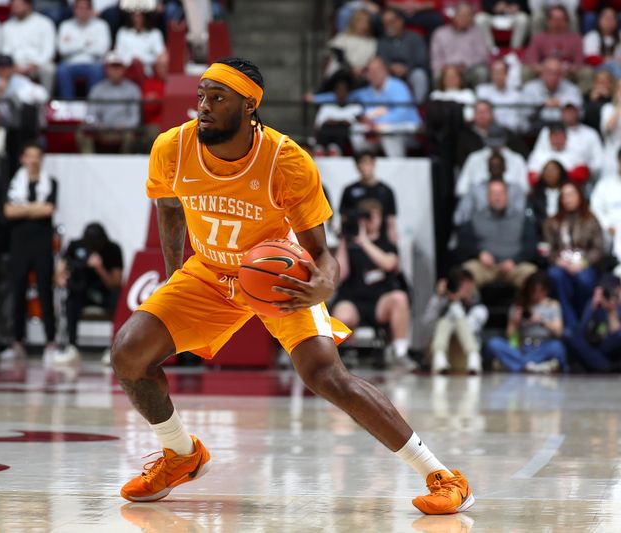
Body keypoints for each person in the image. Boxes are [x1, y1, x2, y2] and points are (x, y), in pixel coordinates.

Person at [111, 57, 473, 514]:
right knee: (128, 353)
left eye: (217, 98)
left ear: (249, 106)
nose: (203, 106)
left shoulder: (286, 160)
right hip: (209, 271)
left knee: (325, 375)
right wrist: (171, 278)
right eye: (201, 96)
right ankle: (181, 454)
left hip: (276, 276)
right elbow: (168, 208)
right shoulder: (172, 147)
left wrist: (323, 285)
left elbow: (321, 253)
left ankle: (442, 476)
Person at [333, 198, 414, 369]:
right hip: (353, 300)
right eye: (369, 215)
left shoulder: (386, 242)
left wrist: (365, 242)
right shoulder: (349, 243)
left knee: (400, 298)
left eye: (377, 215)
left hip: (379, 302)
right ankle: (340, 355)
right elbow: (340, 274)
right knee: (341, 314)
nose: (374, 220)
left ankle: (400, 353)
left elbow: (389, 264)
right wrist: (343, 239)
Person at [1, 142, 59, 363]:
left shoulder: (50, 182)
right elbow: (8, 211)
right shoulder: (14, 184)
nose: (33, 160)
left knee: (45, 293)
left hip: (42, 246)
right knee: (18, 293)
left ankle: (50, 341)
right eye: (29, 156)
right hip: (19, 246)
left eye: (37, 156)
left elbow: (49, 209)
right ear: (23, 159)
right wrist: (35, 208)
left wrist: (23, 210)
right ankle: (17, 341)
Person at [56, 222, 123, 363]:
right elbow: (58, 274)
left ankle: (114, 348)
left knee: (117, 298)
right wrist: (62, 278)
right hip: (82, 291)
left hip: (103, 292)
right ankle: (72, 346)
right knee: (71, 300)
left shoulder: (113, 249)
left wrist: (99, 268)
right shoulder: (75, 246)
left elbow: (115, 283)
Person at [544, 182, 605, 329]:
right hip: (561, 264)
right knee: (554, 275)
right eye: (564, 196)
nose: (568, 199)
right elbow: (547, 249)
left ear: (580, 197)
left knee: (585, 279)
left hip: (583, 263)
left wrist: (582, 263)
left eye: (571, 195)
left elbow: (599, 248)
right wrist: (558, 260)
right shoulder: (552, 222)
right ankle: (570, 323)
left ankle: (585, 320)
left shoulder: (591, 220)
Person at [459, 178, 538, 288]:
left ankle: (528, 300)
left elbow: (531, 246)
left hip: (515, 267)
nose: (497, 197)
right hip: (484, 267)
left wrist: (515, 261)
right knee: (465, 273)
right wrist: (479, 254)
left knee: (533, 275)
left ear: (507, 195)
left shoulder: (521, 218)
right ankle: (468, 300)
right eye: (494, 194)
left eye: (501, 193)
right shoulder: (476, 218)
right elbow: (464, 243)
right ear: (487, 196)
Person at [485, 271, 568, 372]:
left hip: (543, 346)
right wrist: (516, 322)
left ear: (546, 291)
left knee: (557, 346)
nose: (537, 295)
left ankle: (515, 365)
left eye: (541, 291)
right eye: (534, 291)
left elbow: (559, 332)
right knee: (494, 344)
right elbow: (509, 335)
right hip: (523, 347)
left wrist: (542, 321)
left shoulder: (553, 305)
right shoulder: (519, 306)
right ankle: (533, 366)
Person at [351, 57, 421, 158]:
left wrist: (378, 123)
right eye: (370, 71)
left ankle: (395, 163)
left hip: (407, 128)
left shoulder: (398, 86)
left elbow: (402, 113)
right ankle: (365, 161)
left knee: (387, 130)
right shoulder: (366, 92)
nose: (374, 74)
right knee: (356, 129)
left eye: (377, 70)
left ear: (385, 71)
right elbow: (344, 97)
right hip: (376, 130)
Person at [425, 267, 487, 374]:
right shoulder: (442, 303)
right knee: (444, 321)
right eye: (459, 284)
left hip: (463, 359)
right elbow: (427, 325)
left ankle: (473, 356)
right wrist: (438, 298)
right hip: (442, 355)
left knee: (452, 320)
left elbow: (470, 329)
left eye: (465, 284)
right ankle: (440, 356)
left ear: (472, 285)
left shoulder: (479, 308)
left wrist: (455, 304)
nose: (462, 288)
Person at [80, 51, 142, 153]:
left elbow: (135, 119)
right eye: (112, 66)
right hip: (101, 130)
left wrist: (124, 126)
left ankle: (126, 160)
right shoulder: (97, 89)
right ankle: (89, 160)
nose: (115, 70)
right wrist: (98, 125)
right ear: (106, 69)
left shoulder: (133, 89)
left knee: (130, 135)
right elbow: (90, 116)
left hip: (123, 131)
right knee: (82, 130)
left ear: (124, 69)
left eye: (118, 66)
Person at [524, 6, 592, 90]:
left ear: (566, 21)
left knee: (587, 72)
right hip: (543, 72)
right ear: (548, 21)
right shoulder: (538, 38)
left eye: (561, 19)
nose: (557, 22)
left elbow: (579, 62)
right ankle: (529, 96)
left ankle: (580, 96)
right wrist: (548, 69)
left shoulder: (576, 38)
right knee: (526, 71)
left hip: (568, 73)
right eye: (554, 19)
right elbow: (532, 61)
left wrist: (566, 68)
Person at [564, 273, 621, 372]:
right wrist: (593, 307)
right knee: (569, 334)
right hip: (594, 345)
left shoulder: (616, 306)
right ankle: (604, 366)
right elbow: (583, 331)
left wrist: (612, 311)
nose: (606, 295)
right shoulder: (595, 303)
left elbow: (616, 336)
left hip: (611, 346)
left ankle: (599, 365)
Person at [56, 0, 112, 99]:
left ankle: (93, 105)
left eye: (85, 8)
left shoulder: (101, 25)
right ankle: (68, 105)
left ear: (91, 10)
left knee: (97, 70)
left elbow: (102, 50)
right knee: (61, 70)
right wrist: (86, 43)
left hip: (93, 63)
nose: (82, 11)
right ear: (74, 10)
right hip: (70, 63)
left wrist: (73, 43)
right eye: (79, 8)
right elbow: (62, 49)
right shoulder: (65, 25)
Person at [339, 151, 398, 243]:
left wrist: (393, 241)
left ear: (374, 163)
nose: (364, 167)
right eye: (360, 163)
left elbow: (391, 221)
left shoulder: (386, 191)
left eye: (366, 162)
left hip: (381, 240)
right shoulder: (349, 190)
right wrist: (343, 242)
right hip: (356, 240)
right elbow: (344, 218)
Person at [531, 103, 603, 180]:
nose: (569, 114)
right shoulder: (546, 132)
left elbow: (595, 164)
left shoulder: (578, 151)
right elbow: (533, 171)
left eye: (572, 111)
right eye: (566, 111)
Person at [454, 153, 527, 226]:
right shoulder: (475, 190)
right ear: (488, 168)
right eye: (493, 166)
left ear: (504, 168)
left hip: (510, 227)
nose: (495, 168)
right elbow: (459, 216)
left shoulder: (516, 189)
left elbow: (521, 215)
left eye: (498, 166)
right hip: (480, 227)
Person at [1, 0, 57, 93]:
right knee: (1, 68)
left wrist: (35, 64)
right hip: (15, 64)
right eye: (14, 5)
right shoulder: (7, 26)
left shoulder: (45, 23)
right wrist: (13, 65)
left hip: (37, 64)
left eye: (19, 5)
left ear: (29, 5)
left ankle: (46, 99)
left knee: (49, 69)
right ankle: (8, 101)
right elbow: (5, 51)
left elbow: (49, 51)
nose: (15, 8)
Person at [430, 4, 491, 87]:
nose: (465, 18)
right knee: (437, 75)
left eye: (468, 15)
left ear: (471, 18)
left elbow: (482, 56)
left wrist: (465, 65)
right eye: (462, 15)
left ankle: (480, 95)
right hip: (447, 70)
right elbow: (436, 58)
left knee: (481, 72)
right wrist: (448, 68)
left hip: (468, 70)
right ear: (454, 16)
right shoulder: (440, 33)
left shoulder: (477, 33)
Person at [376, 8, 429, 103]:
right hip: (390, 73)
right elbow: (381, 60)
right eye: (385, 23)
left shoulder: (415, 37)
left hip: (411, 71)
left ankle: (418, 105)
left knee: (419, 75)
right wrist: (391, 67)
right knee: (378, 75)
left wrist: (406, 68)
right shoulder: (382, 41)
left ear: (400, 21)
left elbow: (421, 59)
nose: (388, 26)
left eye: (391, 22)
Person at [521, 56, 582, 130]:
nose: (553, 76)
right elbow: (524, 112)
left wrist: (560, 103)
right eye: (549, 72)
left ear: (562, 75)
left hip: (564, 127)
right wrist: (542, 104)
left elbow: (580, 112)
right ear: (542, 73)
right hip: (537, 127)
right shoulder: (530, 88)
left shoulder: (572, 88)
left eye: (557, 73)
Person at [527, 123, 591, 185]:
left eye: (560, 136)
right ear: (549, 138)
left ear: (566, 137)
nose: (557, 140)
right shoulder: (538, 155)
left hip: (569, 189)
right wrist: (569, 174)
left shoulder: (576, 153)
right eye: (554, 136)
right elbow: (532, 179)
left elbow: (583, 175)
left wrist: (551, 175)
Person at [312, 76, 362, 156]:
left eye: (343, 91)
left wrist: (334, 121)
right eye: (339, 91)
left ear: (348, 93)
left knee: (342, 128)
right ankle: (321, 149)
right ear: (334, 93)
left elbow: (355, 124)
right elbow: (319, 124)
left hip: (345, 140)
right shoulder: (326, 107)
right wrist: (341, 121)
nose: (341, 93)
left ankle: (335, 149)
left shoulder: (355, 108)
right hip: (326, 136)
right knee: (327, 127)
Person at [326, 9, 376, 83]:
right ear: (354, 22)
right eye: (360, 21)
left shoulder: (372, 42)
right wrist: (351, 69)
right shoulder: (343, 37)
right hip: (341, 73)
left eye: (366, 22)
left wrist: (362, 71)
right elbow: (339, 57)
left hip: (360, 76)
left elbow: (371, 62)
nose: (363, 24)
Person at [476, 59, 525, 133]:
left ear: (507, 74)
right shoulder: (482, 91)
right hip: (488, 132)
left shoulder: (516, 95)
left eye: (501, 73)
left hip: (511, 132)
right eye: (495, 73)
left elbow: (519, 119)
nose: (498, 76)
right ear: (491, 75)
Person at [115, 9, 165, 75]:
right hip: (127, 72)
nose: (137, 19)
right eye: (134, 16)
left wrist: (141, 60)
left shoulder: (155, 33)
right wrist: (132, 61)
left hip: (148, 72)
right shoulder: (122, 32)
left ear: (145, 16)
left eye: (140, 16)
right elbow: (119, 54)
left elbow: (160, 55)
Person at [528, 159, 568, 234]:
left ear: (560, 172)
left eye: (553, 170)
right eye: (547, 170)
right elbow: (533, 219)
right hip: (541, 233)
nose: (550, 173)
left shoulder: (568, 190)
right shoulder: (534, 195)